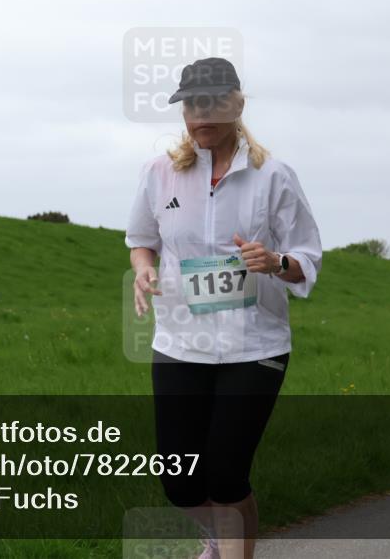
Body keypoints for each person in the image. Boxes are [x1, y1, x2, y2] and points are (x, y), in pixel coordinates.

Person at [124, 57, 323, 559]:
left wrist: (275, 261)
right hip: (180, 344)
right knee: (181, 483)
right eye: (190, 105)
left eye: (211, 103)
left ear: (236, 105)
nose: (199, 116)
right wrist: (144, 270)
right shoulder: (159, 174)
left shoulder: (272, 176)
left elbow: (306, 258)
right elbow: (141, 241)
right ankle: (216, 536)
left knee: (227, 474)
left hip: (253, 346)